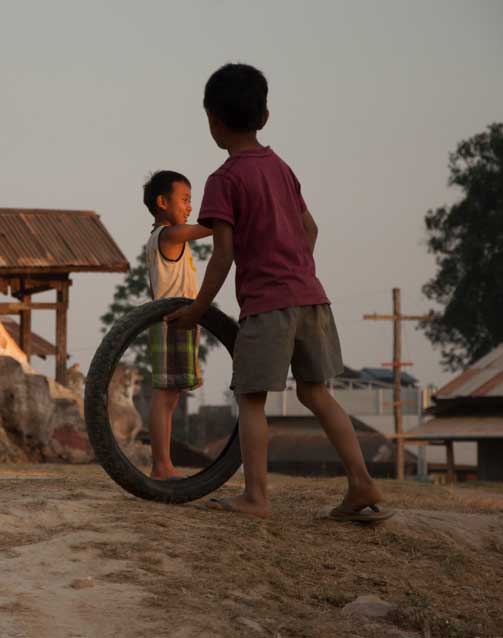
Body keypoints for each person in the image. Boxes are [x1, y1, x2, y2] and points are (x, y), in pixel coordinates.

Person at [165, 64, 391, 521]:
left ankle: (256, 498)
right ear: (264, 117)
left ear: (212, 120)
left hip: (268, 307)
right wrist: (294, 269)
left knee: (251, 398)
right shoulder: (282, 168)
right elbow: (310, 228)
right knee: (316, 393)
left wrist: (198, 309)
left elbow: (223, 255)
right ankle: (362, 483)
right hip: (311, 297)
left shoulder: (224, 180)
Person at [142, 170, 212, 480]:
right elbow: (207, 228)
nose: (188, 207)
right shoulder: (169, 235)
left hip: (178, 322)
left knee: (170, 396)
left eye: (190, 201)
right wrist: (230, 214)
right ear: (162, 202)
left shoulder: (163, 236)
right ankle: (161, 465)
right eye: (184, 200)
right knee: (165, 395)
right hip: (171, 321)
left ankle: (163, 463)